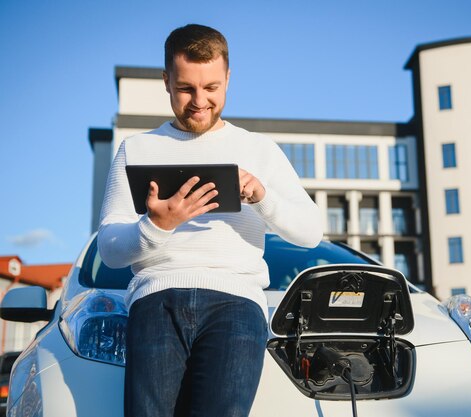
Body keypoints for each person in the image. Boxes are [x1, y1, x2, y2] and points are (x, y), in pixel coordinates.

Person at [97, 24, 323, 417]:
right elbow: (109, 250)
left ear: (228, 78)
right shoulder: (137, 148)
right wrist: (157, 227)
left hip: (236, 304)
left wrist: (262, 197)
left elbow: (311, 233)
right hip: (156, 300)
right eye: (185, 88)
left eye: (212, 88)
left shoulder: (259, 149)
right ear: (166, 81)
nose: (200, 101)